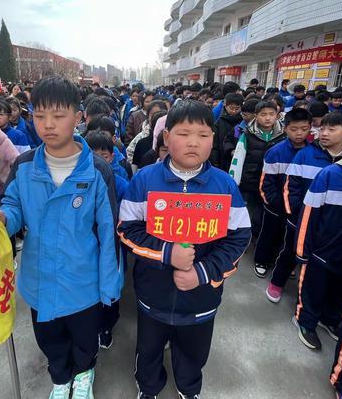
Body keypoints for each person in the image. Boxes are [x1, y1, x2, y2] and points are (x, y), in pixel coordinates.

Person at [0, 77, 120, 399]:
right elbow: (14, 207)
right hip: (40, 277)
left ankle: (83, 374)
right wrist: (1, 218)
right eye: (39, 116)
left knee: (83, 337)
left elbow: (109, 234)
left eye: (58, 115)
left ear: (78, 116)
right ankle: (60, 376)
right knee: (49, 336)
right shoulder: (24, 166)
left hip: (83, 281)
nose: (48, 125)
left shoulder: (97, 171)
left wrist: (110, 286)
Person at [118, 100, 251, 399]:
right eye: (183, 133)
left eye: (203, 135)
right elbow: (127, 230)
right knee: (149, 349)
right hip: (153, 295)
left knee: (194, 352)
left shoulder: (224, 186)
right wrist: (167, 253)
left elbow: (239, 237)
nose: (193, 142)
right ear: (166, 138)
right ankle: (149, 387)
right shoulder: (144, 181)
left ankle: (189, 388)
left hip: (202, 297)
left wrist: (203, 272)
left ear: (213, 140)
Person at [293, 126, 342, 353]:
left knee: (340, 289)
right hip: (321, 249)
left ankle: (330, 318)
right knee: (313, 288)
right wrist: (302, 249)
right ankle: (306, 322)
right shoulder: (329, 175)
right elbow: (308, 214)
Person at [268, 112, 342, 303]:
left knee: (322, 263)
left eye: (332, 129)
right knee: (290, 252)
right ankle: (277, 282)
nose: (324, 133)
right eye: (322, 128)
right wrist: (296, 213)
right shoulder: (305, 155)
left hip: (332, 225)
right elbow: (291, 186)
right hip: (300, 220)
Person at [254, 108, 312, 282]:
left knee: (289, 239)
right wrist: (275, 203)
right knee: (270, 233)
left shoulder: (312, 153)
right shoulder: (276, 152)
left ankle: (284, 264)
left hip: (298, 208)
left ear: (310, 128)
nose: (299, 133)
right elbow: (266, 183)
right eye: (294, 129)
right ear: (285, 128)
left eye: (304, 128)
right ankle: (262, 261)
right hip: (276, 205)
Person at [85, 131, 128, 350]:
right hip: (88, 245)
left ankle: (108, 325)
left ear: (112, 157)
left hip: (114, 243)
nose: (99, 160)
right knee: (92, 286)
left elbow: (129, 214)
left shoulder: (120, 183)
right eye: (93, 154)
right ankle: (94, 324)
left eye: (104, 155)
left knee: (111, 285)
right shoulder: (81, 181)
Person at [229, 101, 286, 239]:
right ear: (256, 116)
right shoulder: (247, 135)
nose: (268, 118)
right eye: (263, 114)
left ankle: (259, 238)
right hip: (250, 181)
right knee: (248, 212)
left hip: (272, 183)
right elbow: (238, 159)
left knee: (266, 213)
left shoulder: (283, 136)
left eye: (271, 114)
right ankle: (244, 237)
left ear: (277, 116)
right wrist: (233, 182)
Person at [210, 93, 243, 171]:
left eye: (237, 108)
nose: (234, 111)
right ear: (225, 105)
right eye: (231, 108)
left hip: (237, 159)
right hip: (222, 160)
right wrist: (215, 162)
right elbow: (214, 144)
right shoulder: (219, 122)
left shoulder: (242, 122)